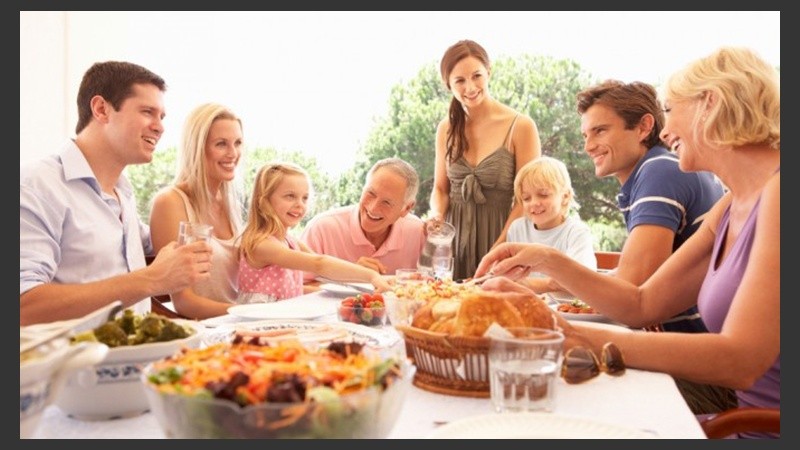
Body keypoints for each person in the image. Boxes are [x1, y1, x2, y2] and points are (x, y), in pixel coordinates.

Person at [477, 47, 780, 438]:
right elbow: (641, 304)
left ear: (711, 104)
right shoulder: (730, 205)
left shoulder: (780, 192)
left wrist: (573, 335)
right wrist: (544, 258)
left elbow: (740, 361)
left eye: (671, 109)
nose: (665, 130)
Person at [20, 61, 212, 326]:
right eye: (148, 112)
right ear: (101, 109)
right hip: (74, 366)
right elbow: (23, 306)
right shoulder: (34, 185)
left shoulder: (122, 191)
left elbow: (152, 243)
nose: (160, 127)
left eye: (162, 117)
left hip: (138, 360)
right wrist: (152, 279)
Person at [572, 79, 724, 333]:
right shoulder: (655, 171)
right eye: (585, 135)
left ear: (643, 127)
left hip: (695, 350)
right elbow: (628, 278)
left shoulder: (660, 170)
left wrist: (545, 261)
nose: (588, 146)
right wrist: (544, 284)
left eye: (600, 131)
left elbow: (630, 291)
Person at [429, 39, 541, 281]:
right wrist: (436, 216)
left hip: (504, 237)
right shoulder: (445, 129)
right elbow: (440, 189)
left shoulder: (521, 126)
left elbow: (526, 200)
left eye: (476, 76)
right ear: (448, 85)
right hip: (453, 245)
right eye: (459, 80)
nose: (470, 87)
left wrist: (497, 251)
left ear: (489, 72)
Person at [238, 162, 391, 303]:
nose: (300, 204)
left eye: (304, 198)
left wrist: (364, 282)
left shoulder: (290, 241)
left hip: (282, 317)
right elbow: (319, 264)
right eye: (290, 196)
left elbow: (325, 273)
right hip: (257, 324)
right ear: (264, 201)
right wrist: (371, 276)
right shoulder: (261, 244)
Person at [149, 103, 244, 319]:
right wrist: (249, 314)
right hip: (208, 330)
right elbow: (185, 302)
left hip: (239, 323)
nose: (233, 153)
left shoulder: (232, 204)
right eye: (221, 144)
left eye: (238, 143)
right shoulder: (170, 202)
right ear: (197, 147)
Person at [301, 157, 425, 277]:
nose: (373, 208)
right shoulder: (321, 229)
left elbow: (436, 285)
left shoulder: (419, 232)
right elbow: (297, 288)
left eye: (386, 202)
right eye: (371, 193)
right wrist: (350, 275)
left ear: (407, 208)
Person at [506, 156, 596, 293]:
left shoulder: (576, 232)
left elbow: (583, 280)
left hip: (565, 310)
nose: (534, 203)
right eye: (526, 198)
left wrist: (523, 283)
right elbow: (508, 276)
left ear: (565, 197)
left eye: (543, 195)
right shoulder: (517, 228)